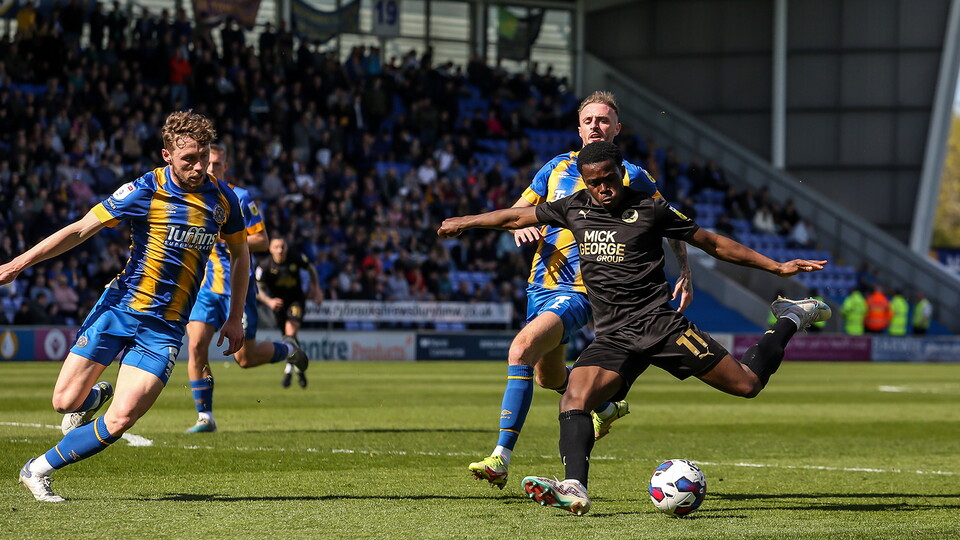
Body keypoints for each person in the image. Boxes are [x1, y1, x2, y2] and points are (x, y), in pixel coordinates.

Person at [438, 140, 831, 515]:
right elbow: (515, 216)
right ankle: (575, 487)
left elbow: (711, 243)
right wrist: (465, 222)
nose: (603, 188)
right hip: (614, 336)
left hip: (661, 327)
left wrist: (776, 267)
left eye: (609, 179)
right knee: (573, 399)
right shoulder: (573, 207)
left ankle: (790, 317)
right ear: (584, 180)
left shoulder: (650, 209)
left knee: (747, 384)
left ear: (620, 173)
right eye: (594, 182)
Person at [4, 111, 248, 502]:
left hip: (165, 328)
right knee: (64, 402)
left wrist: (235, 317)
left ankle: (37, 470)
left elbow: (240, 254)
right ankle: (93, 397)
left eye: (204, 157)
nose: (200, 167)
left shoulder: (223, 199)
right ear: (167, 155)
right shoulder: (145, 189)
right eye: (189, 159)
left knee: (121, 418)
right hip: (120, 308)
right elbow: (81, 229)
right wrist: (18, 264)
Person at [466, 91, 694, 489]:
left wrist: (685, 271)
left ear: (617, 129)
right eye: (589, 120)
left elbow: (671, 221)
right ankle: (603, 407)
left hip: (581, 290)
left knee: (520, 350)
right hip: (539, 285)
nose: (595, 126)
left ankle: (501, 457)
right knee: (546, 375)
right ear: (579, 128)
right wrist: (519, 227)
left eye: (603, 120)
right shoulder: (555, 168)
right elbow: (517, 212)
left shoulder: (633, 177)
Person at [184, 144, 308, 433]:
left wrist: (223, 238)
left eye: (216, 163)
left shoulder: (239, 197)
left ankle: (288, 348)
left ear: (225, 166)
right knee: (196, 346)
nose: (210, 168)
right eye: (206, 162)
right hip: (205, 288)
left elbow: (262, 241)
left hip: (237, 288)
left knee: (245, 359)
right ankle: (205, 417)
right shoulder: (190, 197)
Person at [256, 237, 323, 388]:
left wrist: (317, 289)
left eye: (283, 246)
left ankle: (288, 371)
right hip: (278, 305)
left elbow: (311, 269)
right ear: (270, 249)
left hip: (296, 301)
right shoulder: (265, 265)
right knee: (288, 338)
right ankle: (300, 370)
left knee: (290, 333)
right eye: (276, 247)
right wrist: (269, 301)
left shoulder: (295, 257)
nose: (280, 250)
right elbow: (257, 288)